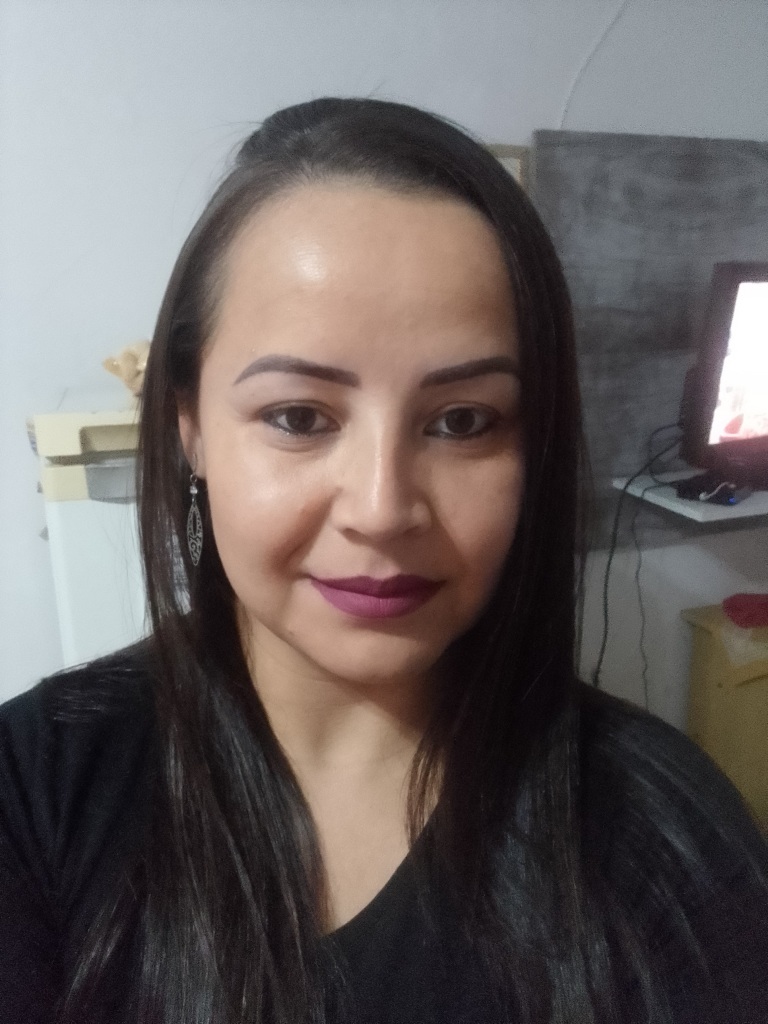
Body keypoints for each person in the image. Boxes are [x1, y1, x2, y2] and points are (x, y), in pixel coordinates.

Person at [1, 97, 767, 1024]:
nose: (382, 509)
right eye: (298, 417)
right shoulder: (38, 787)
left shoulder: (664, 840)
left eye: (463, 421)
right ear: (190, 426)